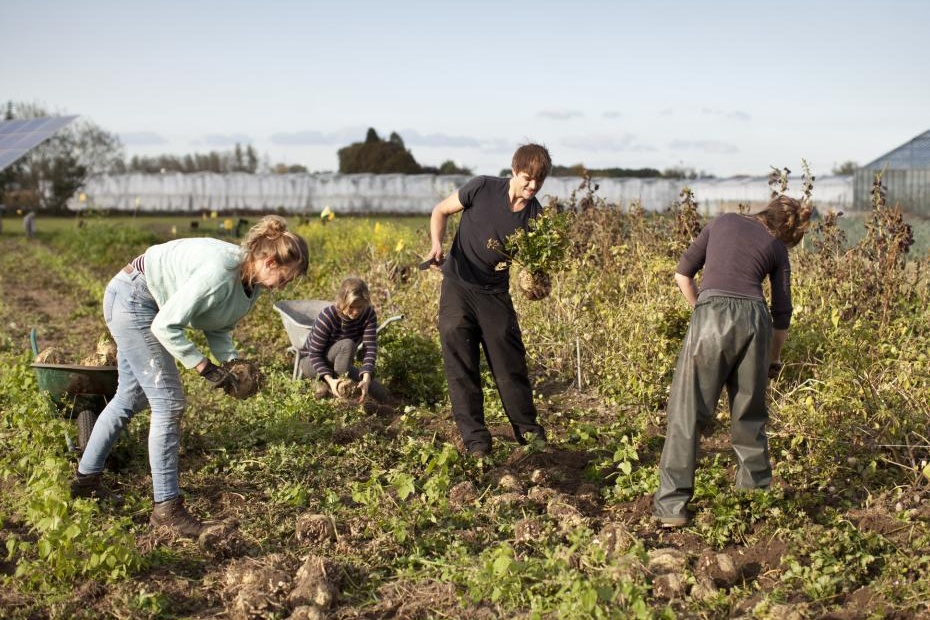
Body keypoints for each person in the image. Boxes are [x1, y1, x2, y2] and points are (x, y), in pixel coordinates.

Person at [71, 215, 309, 538]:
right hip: (133, 298)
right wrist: (204, 367)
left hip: (146, 302)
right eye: (285, 277)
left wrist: (232, 365)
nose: (285, 285)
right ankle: (167, 510)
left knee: (131, 396)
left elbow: (219, 326)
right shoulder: (219, 271)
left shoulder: (251, 286)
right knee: (169, 402)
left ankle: (85, 481)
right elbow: (165, 325)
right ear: (268, 261)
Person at [652, 195, 813, 527]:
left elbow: (683, 275)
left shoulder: (722, 221)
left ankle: (671, 508)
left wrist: (703, 312)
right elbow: (782, 313)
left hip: (710, 314)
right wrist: (773, 359)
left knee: (687, 412)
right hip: (755, 321)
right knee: (749, 415)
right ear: (787, 229)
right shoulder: (777, 248)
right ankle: (753, 501)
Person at [425, 143, 551, 458]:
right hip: (458, 285)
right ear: (514, 171)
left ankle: (530, 437)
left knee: (509, 365)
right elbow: (440, 210)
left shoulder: (536, 217)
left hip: (494, 294)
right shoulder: (482, 187)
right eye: (527, 178)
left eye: (539, 181)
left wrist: (537, 283)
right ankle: (477, 443)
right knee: (460, 360)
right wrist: (437, 245)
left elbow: (536, 266)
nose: (532, 186)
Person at [299, 277, 389, 403]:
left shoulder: (368, 314)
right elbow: (315, 354)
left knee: (380, 392)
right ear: (342, 301)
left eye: (360, 306)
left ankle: (338, 386)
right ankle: (336, 387)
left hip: (340, 364)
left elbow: (369, 348)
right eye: (352, 306)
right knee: (347, 344)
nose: (356, 311)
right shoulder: (328, 316)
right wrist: (331, 381)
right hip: (311, 361)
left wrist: (366, 379)